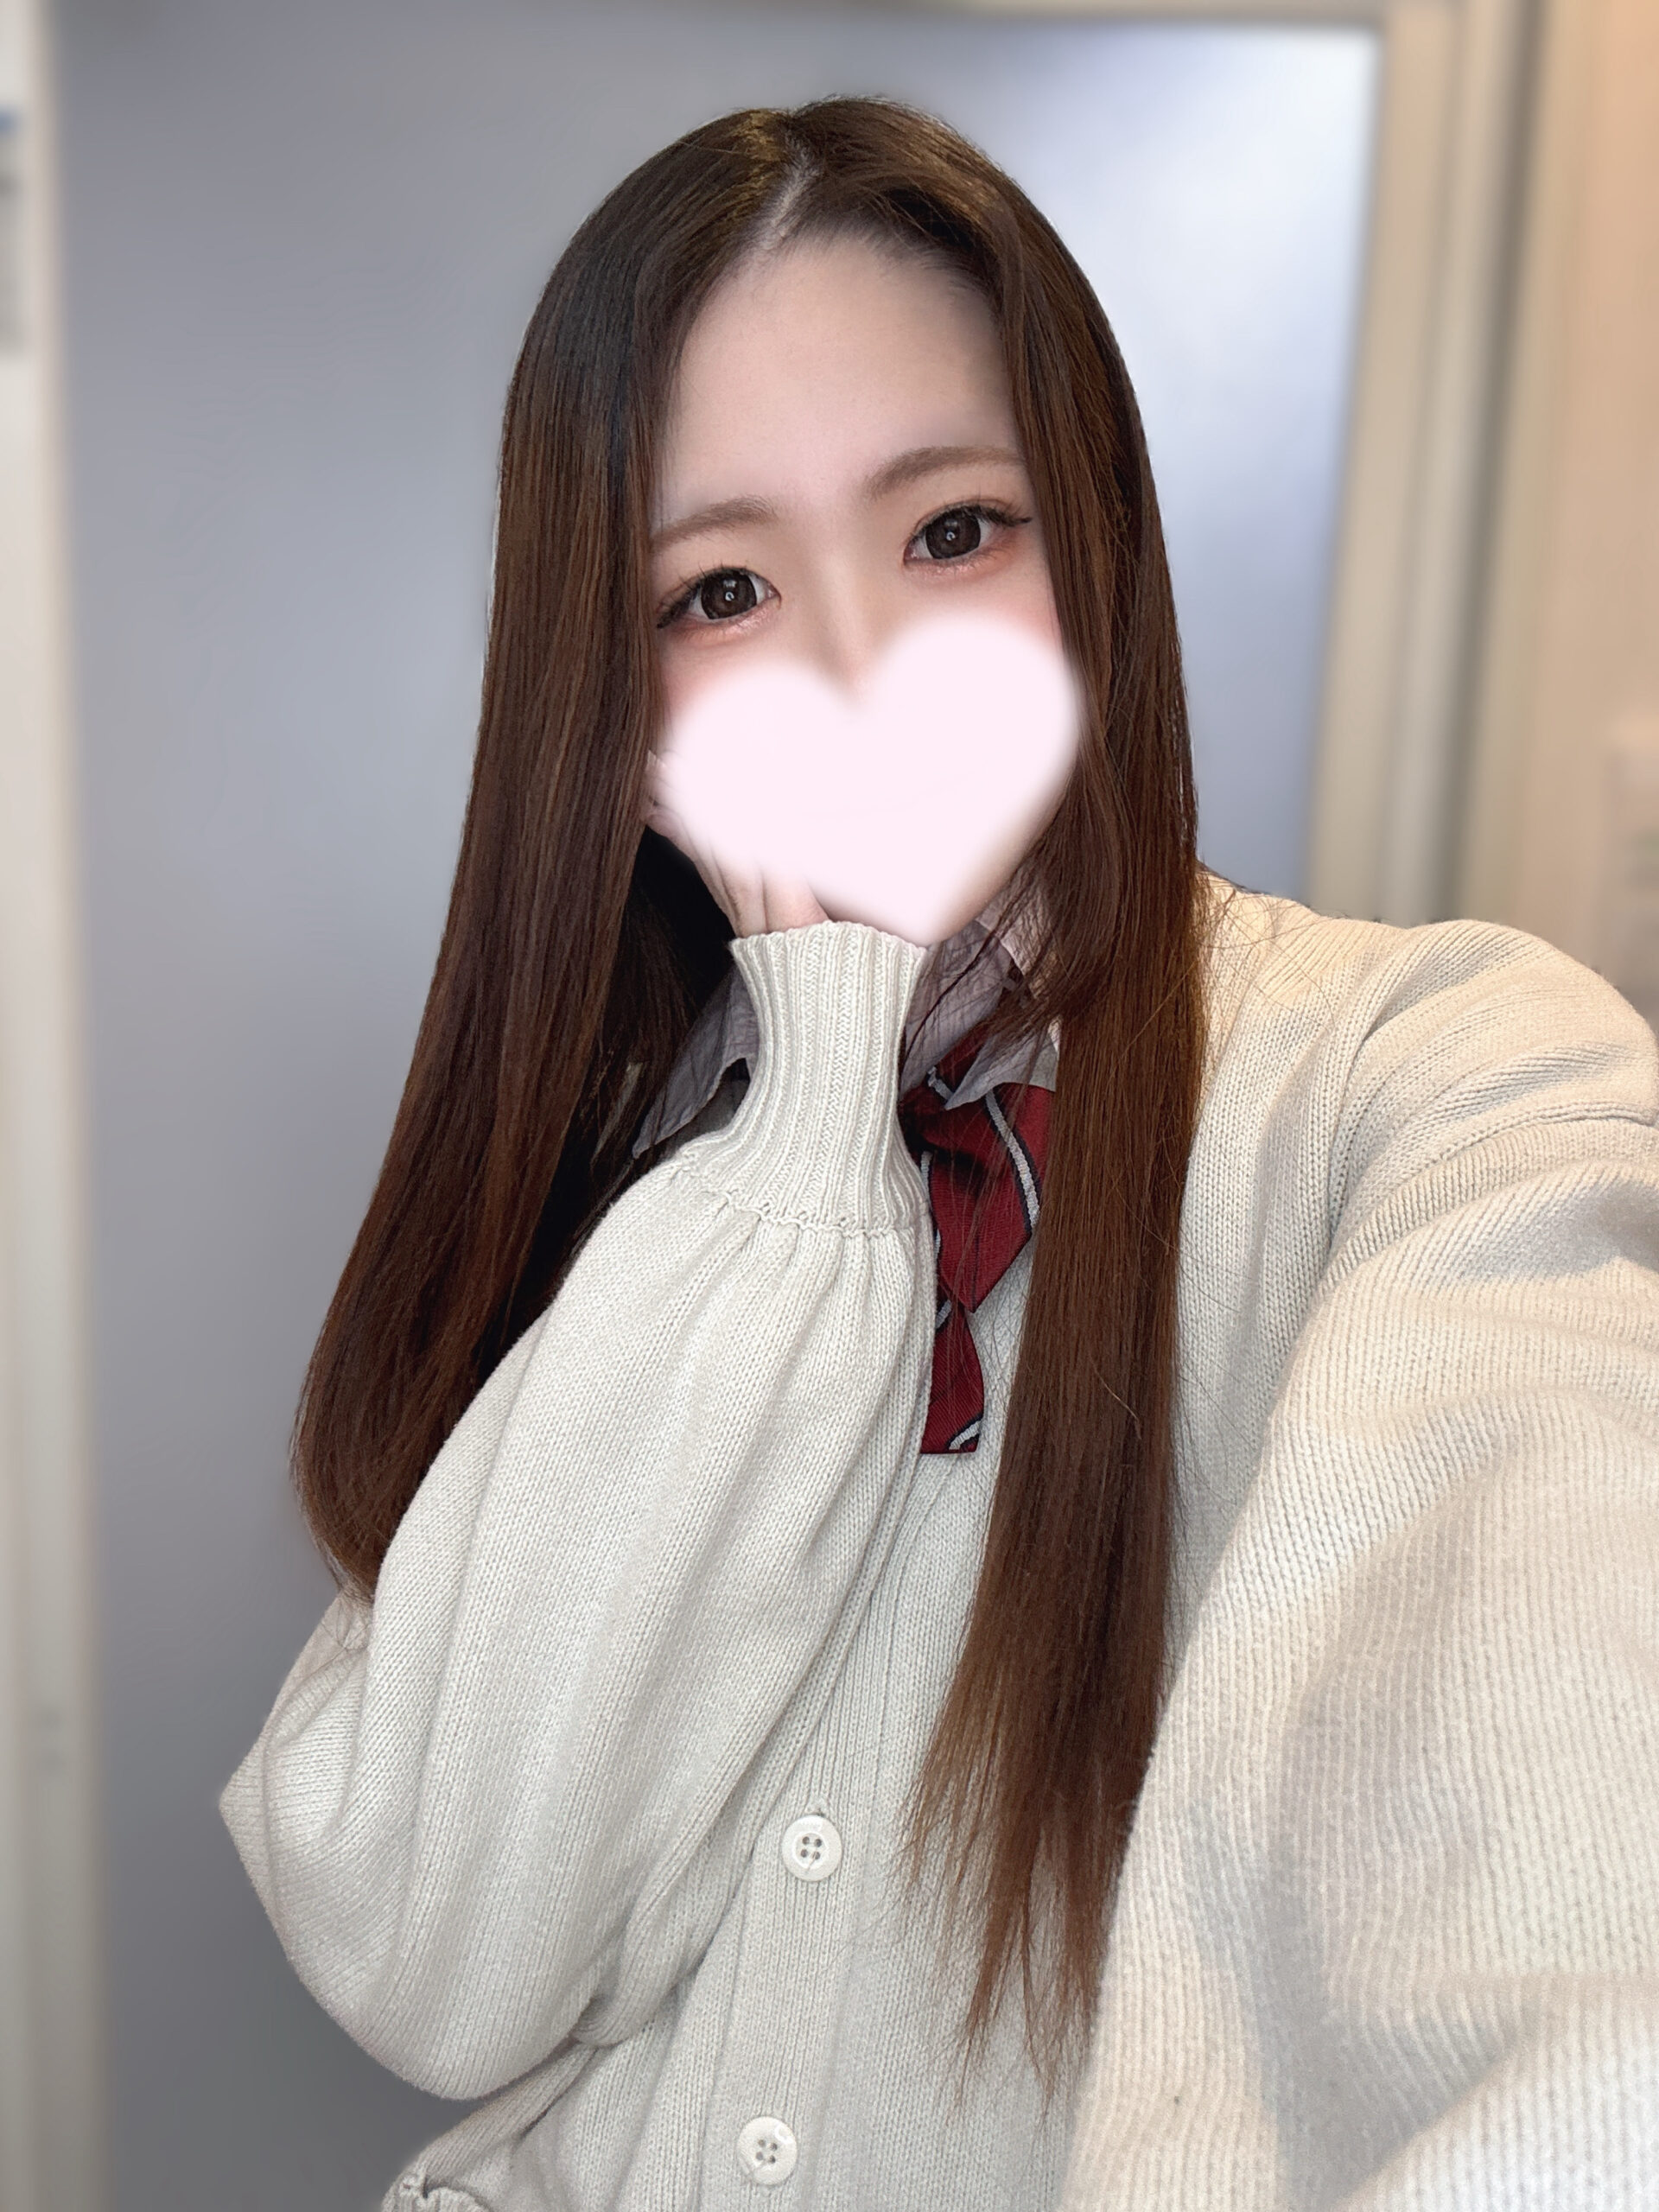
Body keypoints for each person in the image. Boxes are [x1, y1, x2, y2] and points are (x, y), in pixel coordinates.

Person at [220, 98, 1659, 2211]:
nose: (858, 668)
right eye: (721, 588)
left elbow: (1573, 1936)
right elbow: (426, 1953)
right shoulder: (635, 1171)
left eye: (955, 530)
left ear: (1098, 561)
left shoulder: (1438, 1079)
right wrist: (813, 1102)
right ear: (616, 717)